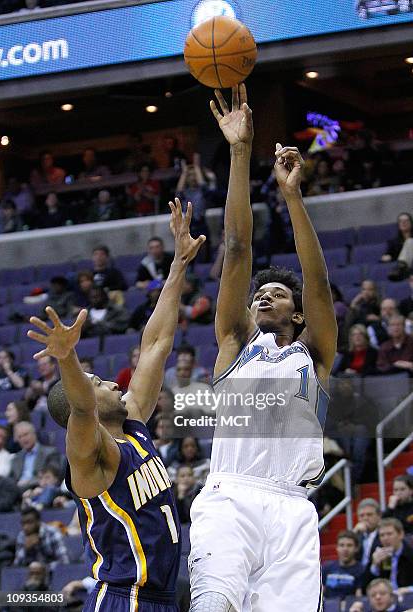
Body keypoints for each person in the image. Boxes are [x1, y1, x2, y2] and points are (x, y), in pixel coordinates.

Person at [189, 85, 337, 612]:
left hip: (293, 510)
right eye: (259, 294)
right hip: (230, 498)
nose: (262, 295)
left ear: (297, 315)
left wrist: (292, 197)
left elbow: (316, 282)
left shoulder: (313, 356)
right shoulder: (233, 344)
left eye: (276, 293)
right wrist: (238, 151)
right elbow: (236, 247)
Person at [27, 198, 205, 611]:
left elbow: (157, 344)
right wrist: (67, 358)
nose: (110, 382)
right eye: (96, 382)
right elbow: (85, 409)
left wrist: (178, 263)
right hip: (124, 599)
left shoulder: (135, 422)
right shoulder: (92, 459)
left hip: (159, 597)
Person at [9, 422, 61, 491]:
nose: (23, 439)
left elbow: (51, 476)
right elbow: (11, 480)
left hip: (38, 489)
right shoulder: (16, 458)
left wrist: (28, 483)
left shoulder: (50, 453)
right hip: (17, 492)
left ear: (34, 434)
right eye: (20, 437)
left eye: (26, 434)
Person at [367, 518, 413, 589]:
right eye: (382, 535)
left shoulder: (410, 553)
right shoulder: (377, 553)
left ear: (401, 534)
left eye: (389, 534)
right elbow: (366, 586)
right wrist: (375, 565)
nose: (385, 538)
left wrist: (409, 589)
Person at [322, 531, 364, 600]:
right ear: (337, 548)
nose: (345, 549)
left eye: (349, 545)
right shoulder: (327, 567)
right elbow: (321, 591)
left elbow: (359, 596)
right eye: (341, 545)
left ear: (356, 548)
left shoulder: (361, 570)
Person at [382, 212, 413, 281]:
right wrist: (387, 257)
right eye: (401, 221)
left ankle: (401, 268)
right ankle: (402, 268)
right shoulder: (393, 242)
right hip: (406, 268)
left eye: (406, 221)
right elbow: (388, 255)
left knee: (410, 241)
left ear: (411, 223)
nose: (403, 223)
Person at [353, 498, 382, 569]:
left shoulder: (384, 534)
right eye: (361, 516)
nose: (365, 518)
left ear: (379, 516)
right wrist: (354, 534)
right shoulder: (356, 534)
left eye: (369, 515)